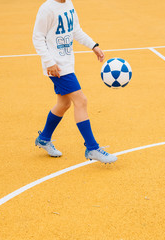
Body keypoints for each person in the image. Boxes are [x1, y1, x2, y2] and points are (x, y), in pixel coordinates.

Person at [32, 0, 117, 163]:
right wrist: (49, 62)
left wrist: (93, 45)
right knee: (81, 101)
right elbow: (37, 37)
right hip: (57, 66)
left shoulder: (68, 4)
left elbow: (75, 30)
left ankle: (44, 138)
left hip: (67, 63)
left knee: (64, 104)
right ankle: (92, 148)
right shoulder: (47, 9)